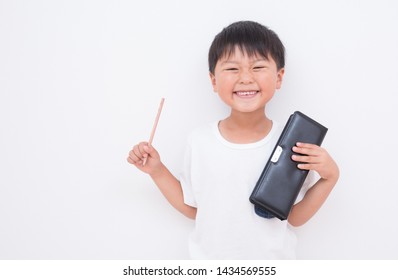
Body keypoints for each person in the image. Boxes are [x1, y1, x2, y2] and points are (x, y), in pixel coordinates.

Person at [127, 21, 339, 259]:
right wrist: (157, 170)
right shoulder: (199, 141)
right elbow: (196, 209)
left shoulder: (294, 146)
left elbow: (296, 217)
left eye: (258, 67)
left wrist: (330, 177)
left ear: (279, 77)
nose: (245, 78)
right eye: (232, 69)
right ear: (214, 80)